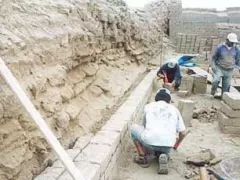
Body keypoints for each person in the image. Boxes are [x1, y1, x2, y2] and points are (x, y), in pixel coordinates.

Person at [130, 88, 186, 174]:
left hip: (150, 142)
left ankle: (142, 157)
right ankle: (163, 155)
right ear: (169, 100)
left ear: (156, 98)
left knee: (133, 128)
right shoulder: (175, 110)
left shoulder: (148, 106)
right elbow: (182, 133)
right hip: (168, 145)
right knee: (163, 143)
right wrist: (175, 145)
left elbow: (144, 126)